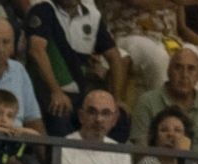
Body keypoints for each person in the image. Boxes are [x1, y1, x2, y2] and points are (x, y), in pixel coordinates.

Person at [25, 0, 130, 134]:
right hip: (48, 90)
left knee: (119, 118)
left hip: (81, 92)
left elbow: (114, 56)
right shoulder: (43, 10)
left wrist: (117, 98)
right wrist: (56, 91)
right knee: (59, 112)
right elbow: (36, 50)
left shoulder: (92, 16)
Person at [134, 45, 198, 154]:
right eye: (178, 67)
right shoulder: (147, 101)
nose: (184, 75)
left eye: (191, 69)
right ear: (168, 72)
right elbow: (140, 150)